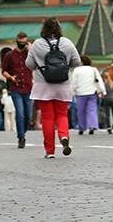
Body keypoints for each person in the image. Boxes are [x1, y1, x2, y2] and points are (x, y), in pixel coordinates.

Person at [24, 18, 81, 158]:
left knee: (47, 118)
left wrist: (40, 64)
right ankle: (64, 137)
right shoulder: (67, 43)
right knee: (62, 115)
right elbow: (77, 62)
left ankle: (49, 151)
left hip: (43, 86)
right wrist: (64, 67)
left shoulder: (37, 44)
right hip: (63, 86)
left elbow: (29, 64)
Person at [0, 32, 34, 149]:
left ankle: (23, 132)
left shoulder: (29, 54)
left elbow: (37, 63)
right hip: (16, 88)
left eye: (24, 43)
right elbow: (4, 71)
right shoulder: (9, 55)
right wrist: (10, 77)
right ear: (17, 41)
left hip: (29, 87)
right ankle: (21, 137)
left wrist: (30, 49)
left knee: (28, 115)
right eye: (20, 42)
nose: (22, 45)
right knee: (20, 114)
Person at [71, 55, 105, 135]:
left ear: (81, 62)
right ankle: (92, 126)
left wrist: (72, 92)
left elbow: (73, 82)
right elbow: (99, 80)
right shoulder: (93, 69)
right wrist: (102, 91)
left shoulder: (76, 70)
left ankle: (82, 127)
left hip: (80, 93)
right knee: (92, 109)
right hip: (92, 92)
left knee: (81, 111)